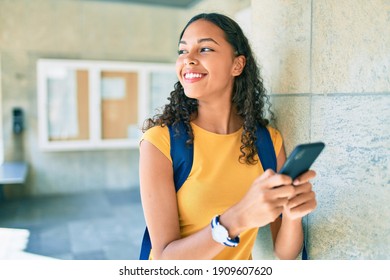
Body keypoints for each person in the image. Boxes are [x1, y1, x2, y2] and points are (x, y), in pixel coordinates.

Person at [139, 12, 317, 260]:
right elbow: (164, 259)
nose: (188, 59)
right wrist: (235, 219)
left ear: (237, 65)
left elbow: (285, 252)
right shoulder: (160, 142)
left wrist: (292, 214)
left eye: (205, 49)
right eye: (183, 51)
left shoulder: (268, 142)